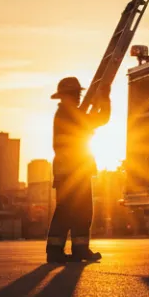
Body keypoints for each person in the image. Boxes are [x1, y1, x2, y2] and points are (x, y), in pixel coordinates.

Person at [45, 76, 109, 263]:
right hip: (72, 171)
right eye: (75, 94)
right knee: (70, 211)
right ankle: (61, 251)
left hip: (73, 170)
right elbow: (102, 118)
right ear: (65, 96)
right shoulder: (69, 114)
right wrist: (104, 98)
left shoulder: (68, 113)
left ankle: (75, 250)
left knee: (78, 211)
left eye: (78, 94)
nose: (78, 97)